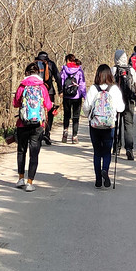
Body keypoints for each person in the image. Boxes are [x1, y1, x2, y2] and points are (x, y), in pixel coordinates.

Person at [82, 64, 125, 188]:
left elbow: (86, 107)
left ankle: (98, 180)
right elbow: (121, 108)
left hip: (95, 125)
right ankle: (105, 170)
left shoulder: (93, 89)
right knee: (107, 152)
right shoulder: (114, 89)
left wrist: (88, 116)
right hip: (109, 125)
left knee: (97, 152)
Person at [12, 59, 52, 190]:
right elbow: (49, 105)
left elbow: (16, 103)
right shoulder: (42, 87)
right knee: (34, 154)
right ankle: (30, 183)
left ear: (27, 73)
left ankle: (20, 179)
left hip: (22, 124)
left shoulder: (22, 86)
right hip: (38, 125)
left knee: (21, 151)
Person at [113, 50, 136, 160]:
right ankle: (129, 149)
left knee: (116, 123)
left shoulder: (113, 70)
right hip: (129, 101)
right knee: (128, 124)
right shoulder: (131, 70)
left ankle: (116, 147)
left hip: (115, 101)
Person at [34, 49, 61, 144]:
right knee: (49, 112)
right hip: (49, 91)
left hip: (36, 91)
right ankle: (47, 133)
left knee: (37, 110)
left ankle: (37, 133)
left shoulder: (34, 64)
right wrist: (60, 90)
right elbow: (58, 77)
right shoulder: (51, 64)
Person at [59, 52, 86, 142]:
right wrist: (84, 95)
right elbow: (82, 84)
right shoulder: (79, 70)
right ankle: (74, 136)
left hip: (66, 96)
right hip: (77, 96)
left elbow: (61, 81)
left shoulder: (64, 70)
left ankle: (65, 132)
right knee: (76, 116)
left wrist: (61, 91)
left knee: (66, 115)